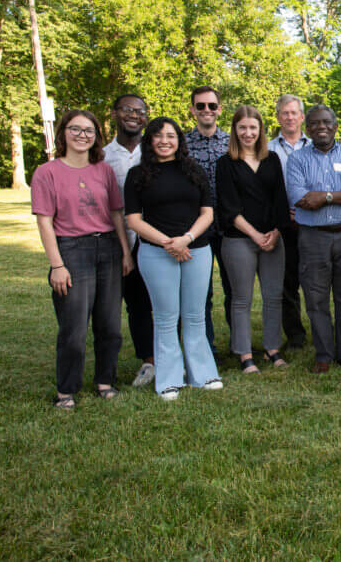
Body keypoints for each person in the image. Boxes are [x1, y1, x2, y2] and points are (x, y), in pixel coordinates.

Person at [33, 110, 132, 408]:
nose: (82, 135)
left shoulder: (103, 170)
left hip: (109, 250)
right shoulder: (46, 172)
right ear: (63, 133)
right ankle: (66, 390)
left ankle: (105, 381)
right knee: (74, 327)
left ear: (96, 137)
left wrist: (126, 251)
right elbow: (44, 221)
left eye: (88, 131)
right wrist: (57, 265)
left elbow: (116, 213)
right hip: (72, 251)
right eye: (75, 129)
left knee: (110, 324)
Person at [124, 117, 222, 401]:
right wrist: (168, 243)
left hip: (197, 249)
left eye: (171, 135)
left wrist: (186, 239)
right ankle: (169, 380)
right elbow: (134, 220)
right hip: (157, 252)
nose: (164, 141)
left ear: (179, 140)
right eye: (158, 135)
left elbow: (207, 213)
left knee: (194, 316)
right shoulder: (137, 175)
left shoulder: (195, 171)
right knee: (166, 318)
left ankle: (202, 375)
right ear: (149, 140)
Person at [286, 105, 341, 373]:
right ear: (307, 128)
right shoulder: (297, 159)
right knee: (316, 297)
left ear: (336, 126)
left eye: (326, 122)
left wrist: (324, 196)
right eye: (314, 123)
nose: (321, 127)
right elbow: (300, 198)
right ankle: (323, 354)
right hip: (313, 237)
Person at [216, 105, 290, 374]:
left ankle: (272, 348)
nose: (248, 133)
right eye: (242, 128)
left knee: (273, 296)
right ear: (235, 130)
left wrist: (276, 232)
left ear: (261, 130)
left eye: (253, 128)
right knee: (241, 298)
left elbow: (281, 199)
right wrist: (255, 235)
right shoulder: (226, 163)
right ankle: (245, 354)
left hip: (273, 238)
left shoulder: (272, 160)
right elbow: (228, 207)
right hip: (239, 239)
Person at [103, 94, 155, 387]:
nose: (134, 115)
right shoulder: (102, 155)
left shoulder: (155, 150)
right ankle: (148, 361)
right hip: (120, 238)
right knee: (134, 302)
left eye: (140, 111)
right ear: (114, 113)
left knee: (163, 300)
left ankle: (170, 355)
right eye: (127, 109)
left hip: (156, 237)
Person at [185, 85, 231, 350]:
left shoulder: (231, 142)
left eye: (211, 106)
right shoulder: (182, 144)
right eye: (200, 106)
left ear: (219, 110)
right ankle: (205, 346)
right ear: (193, 110)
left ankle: (239, 345)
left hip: (228, 227)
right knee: (201, 293)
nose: (206, 110)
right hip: (195, 227)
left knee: (233, 290)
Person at [268, 94, 311, 350]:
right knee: (287, 282)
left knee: (316, 280)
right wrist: (284, 213)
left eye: (294, 112)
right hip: (283, 224)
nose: (290, 117)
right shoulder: (267, 149)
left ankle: (321, 329)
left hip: (313, 223)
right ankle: (295, 336)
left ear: (302, 117)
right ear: (278, 117)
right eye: (285, 113)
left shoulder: (316, 145)